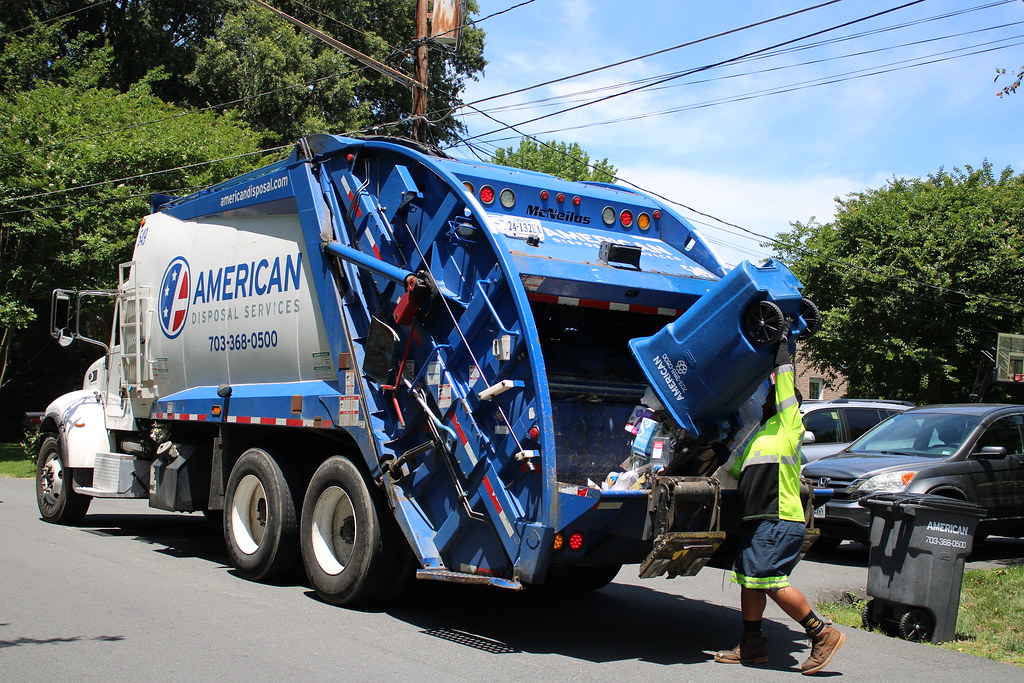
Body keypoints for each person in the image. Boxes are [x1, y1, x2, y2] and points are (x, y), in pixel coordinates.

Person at [714, 335, 845, 675]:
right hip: (757, 520)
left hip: (778, 517)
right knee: (749, 579)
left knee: (769, 579)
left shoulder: (789, 425)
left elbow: (785, 380)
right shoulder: (758, 436)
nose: (765, 402)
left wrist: (782, 348)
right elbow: (729, 470)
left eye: (771, 397)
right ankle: (752, 644)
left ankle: (822, 633)